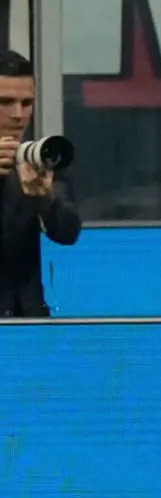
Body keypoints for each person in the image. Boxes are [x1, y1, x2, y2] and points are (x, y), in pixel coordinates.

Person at [0, 50, 81, 317]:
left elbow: (68, 232)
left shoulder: (39, 159)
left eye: (26, 103)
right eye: (5, 102)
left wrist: (45, 202)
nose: (18, 115)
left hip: (23, 322)